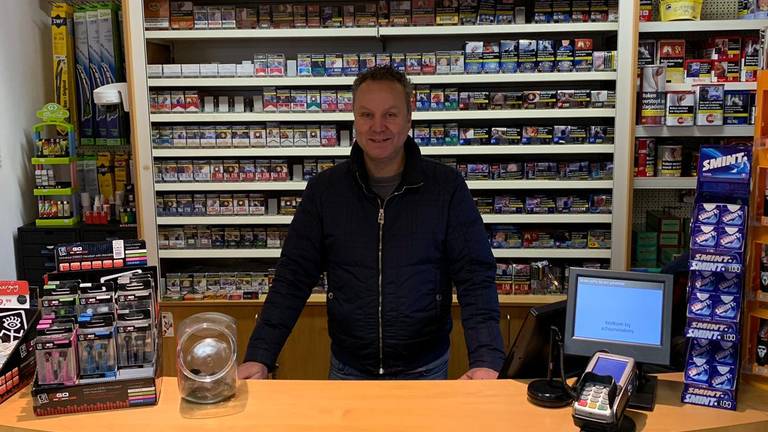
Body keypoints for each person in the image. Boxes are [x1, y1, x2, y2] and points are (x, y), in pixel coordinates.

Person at [238, 66, 504, 380]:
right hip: (349, 370)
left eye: (390, 114)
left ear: (409, 117)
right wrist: (259, 355)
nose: (378, 127)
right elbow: (292, 277)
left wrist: (486, 359)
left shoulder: (446, 188)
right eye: (366, 115)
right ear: (354, 118)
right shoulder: (325, 190)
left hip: (424, 370)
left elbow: (475, 276)